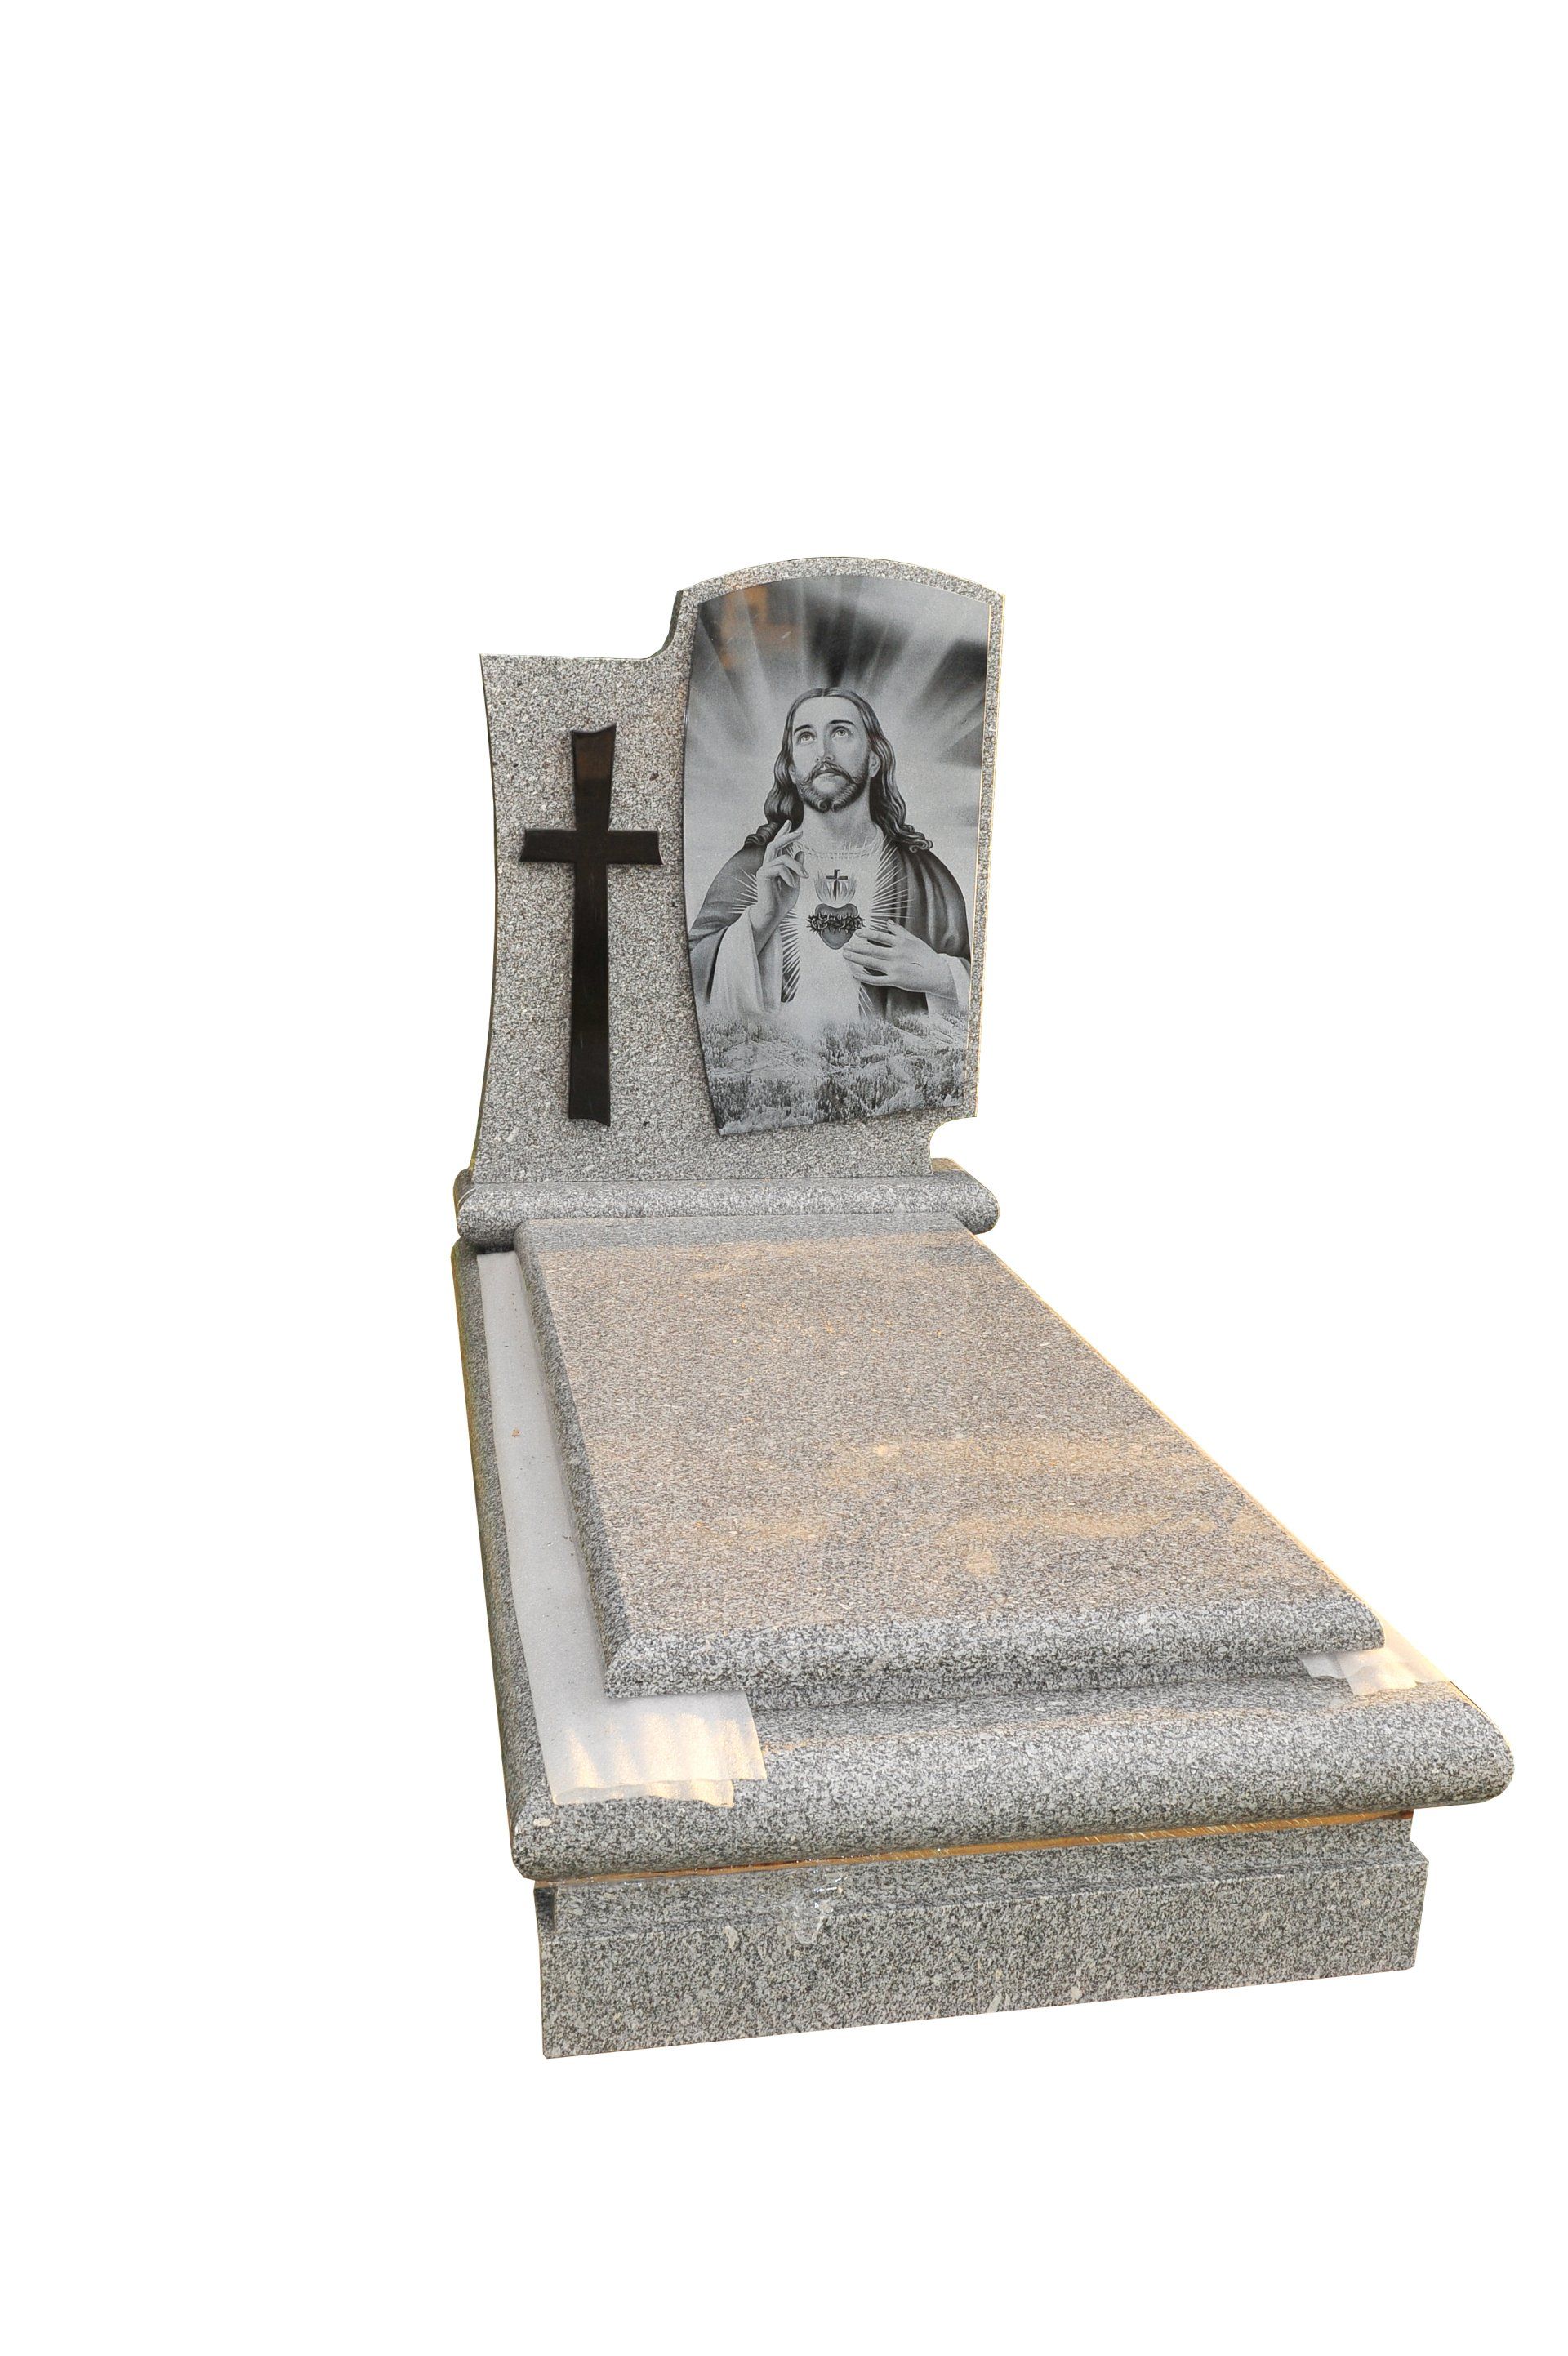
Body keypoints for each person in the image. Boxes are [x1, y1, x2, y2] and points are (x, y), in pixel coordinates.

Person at [689, 688, 970, 1040]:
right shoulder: (752, 870)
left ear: (874, 759)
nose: (823, 752)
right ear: (791, 768)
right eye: (806, 737)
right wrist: (761, 920)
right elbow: (686, 979)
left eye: (840, 732)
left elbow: (988, 988)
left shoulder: (926, 879)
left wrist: (944, 978)